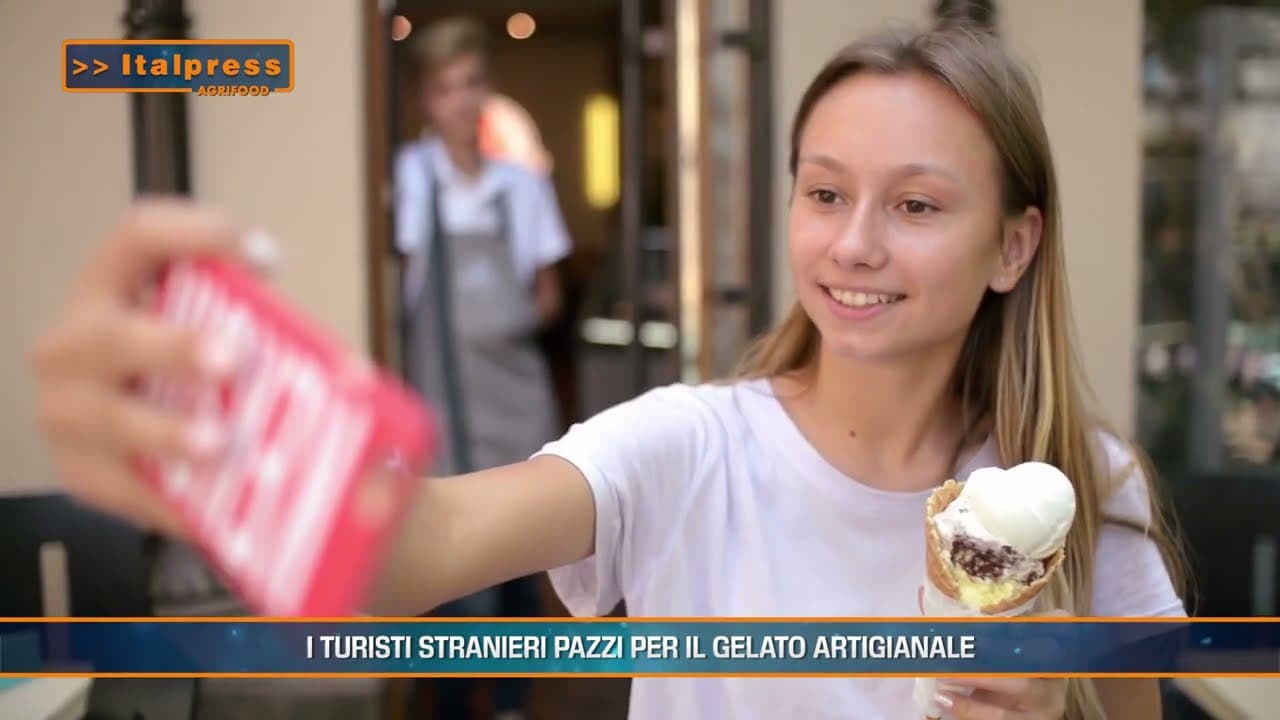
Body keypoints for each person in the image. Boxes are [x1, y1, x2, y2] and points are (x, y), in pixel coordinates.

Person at [29, 22, 1185, 720]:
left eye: (917, 204)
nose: (853, 244)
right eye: (824, 192)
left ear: (1012, 245)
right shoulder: (686, 447)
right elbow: (417, 546)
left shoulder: (1084, 481)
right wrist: (243, 456)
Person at [393, 17, 571, 720]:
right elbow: (402, 287)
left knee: (520, 554)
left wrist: (505, 325)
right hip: (441, 399)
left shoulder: (521, 187)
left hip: (514, 395)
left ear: (486, 91)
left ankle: (509, 704)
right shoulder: (411, 177)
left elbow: (548, 294)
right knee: (452, 560)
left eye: (471, 84)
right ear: (425, 102)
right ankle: (446, 701)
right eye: (444, 89)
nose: (460, 102)